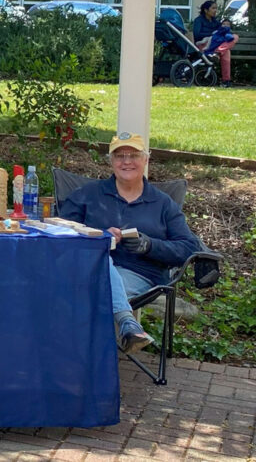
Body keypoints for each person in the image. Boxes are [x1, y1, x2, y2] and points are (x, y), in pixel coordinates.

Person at [58, 132, 199, 354]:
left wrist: (150, 245)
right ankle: (127, 322)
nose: (126, 161)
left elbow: (189, 248)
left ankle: (77, 362)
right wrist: (99, 236)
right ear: (111, 161)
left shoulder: (162, 203)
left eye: (133, 155)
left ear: (146, 159)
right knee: (100, 264)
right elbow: (60, 231)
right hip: (87, 268)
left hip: (142, 274)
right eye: (119, 155)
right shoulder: (87, 195)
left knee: (95, 281)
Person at [192, 0, 238, 87]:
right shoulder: (199, 20)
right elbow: (197, 34)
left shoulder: (215, 21)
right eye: (213, 8)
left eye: (216, 8)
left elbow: (223, 32)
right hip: (204, 45)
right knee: (226, 52)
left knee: (235, 37)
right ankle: (226, 79)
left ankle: (225, 81)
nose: (215, 10)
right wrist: (212, 34)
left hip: (216, 46)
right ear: (206, 10)